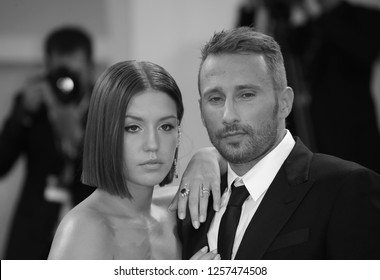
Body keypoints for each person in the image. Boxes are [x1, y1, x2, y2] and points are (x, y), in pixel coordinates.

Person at [173, 26, 380, 259]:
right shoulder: (194, 204)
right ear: (201, 111)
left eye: (246, 95)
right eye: (215, 98)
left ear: (284, 103)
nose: (228, 115)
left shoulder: (346, 188)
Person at [48, 60, 219, 260]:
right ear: (104, 134)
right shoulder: (84, 228)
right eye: (133, 128)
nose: (152, 144)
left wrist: (207, 156)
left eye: (165, 126)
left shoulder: (175, 208)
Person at [0, 26, 95, 259]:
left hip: (87, 229)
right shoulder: (33, 104)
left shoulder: (103, 106)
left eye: (73, 70)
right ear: (48, 68)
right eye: (59, 71)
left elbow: (109, 174)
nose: (66, 81)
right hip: (32, 234)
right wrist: (23, 115)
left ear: (90, 68)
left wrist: (77, 139)